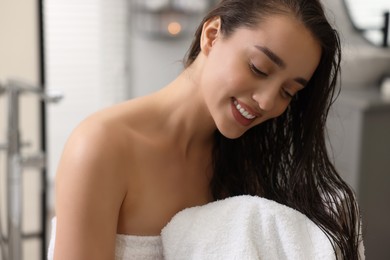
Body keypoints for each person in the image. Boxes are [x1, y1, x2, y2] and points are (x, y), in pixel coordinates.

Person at [51, 0, 363, 259]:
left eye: (288, 92)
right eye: (259, 68)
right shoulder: (101, 147)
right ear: (212, 35)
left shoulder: (245, 163)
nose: (268, 102)